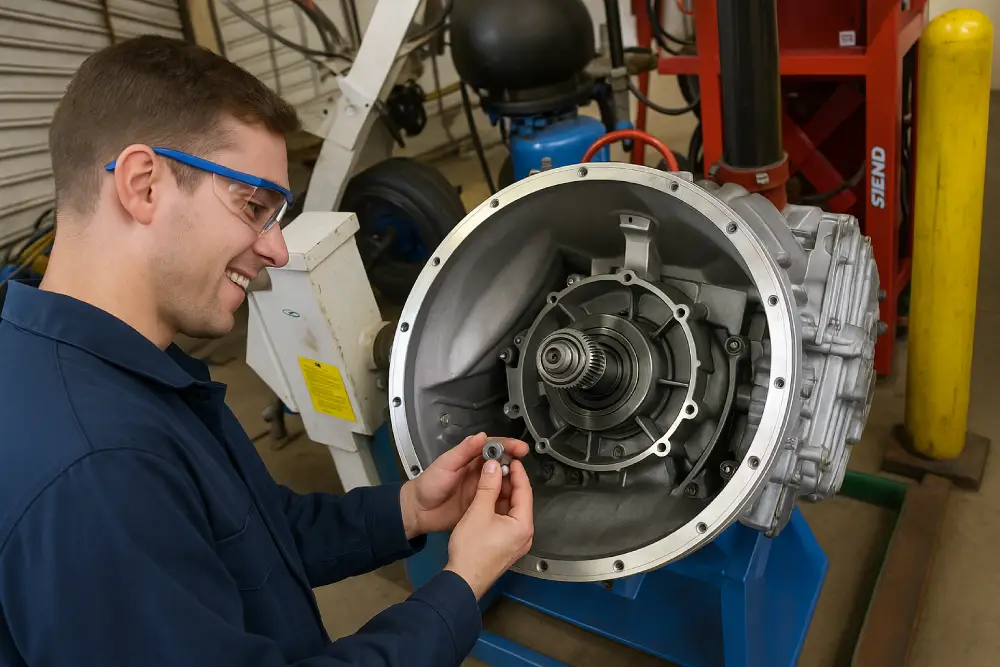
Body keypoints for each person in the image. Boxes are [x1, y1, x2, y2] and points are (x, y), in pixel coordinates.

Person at [0, 35, 534, 667]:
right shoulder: (98, 469)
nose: (278, 250)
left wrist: (408, 509)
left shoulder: (112, 360)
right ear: (144, 184)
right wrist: (460, 589)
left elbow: (246, 536)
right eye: (254, 207)